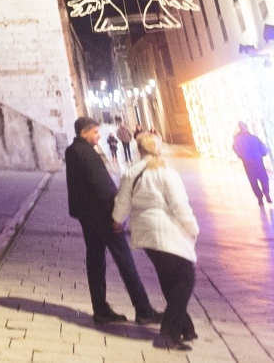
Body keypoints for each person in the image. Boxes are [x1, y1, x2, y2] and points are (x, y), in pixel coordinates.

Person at [65, 116, 161, 326]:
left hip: (86, 215)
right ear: (84, 132)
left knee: (95, 260)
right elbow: (103, 187)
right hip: (102, 215)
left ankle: (100, 309)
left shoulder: (72, 151)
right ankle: (143, 309)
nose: (98, 136)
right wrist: (117, 215)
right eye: (95, 132)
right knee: (125, 259)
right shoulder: (87, 154)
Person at [113, 131, 200, 352]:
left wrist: (117, 220)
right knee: (185, 278)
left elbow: (121, 201)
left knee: (169, 278)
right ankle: (170, 333)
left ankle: (185, 326)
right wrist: (192, 228)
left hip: (144, 232)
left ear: (140, 149)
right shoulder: (165, 172)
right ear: (157, 148)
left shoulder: (131, 172)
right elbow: (180, 205)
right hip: (165, 228)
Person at [232, 122, 272, 205]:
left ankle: (259, 197)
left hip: (247, 162)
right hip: (257, 160)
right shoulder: (254, 138)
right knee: (263, 178)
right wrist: (263, 153)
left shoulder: (237, 139)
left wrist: (241, 156)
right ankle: (266, 192)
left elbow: (235, 148)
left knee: (253, 180)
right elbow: (263, 149)